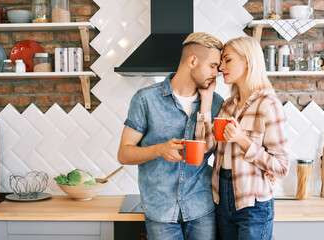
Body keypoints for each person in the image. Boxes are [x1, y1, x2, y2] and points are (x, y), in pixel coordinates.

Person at [117, 32, 224, 240]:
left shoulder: (216, 102)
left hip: (201, 209)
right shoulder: (145, 100)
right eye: (212, 66)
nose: (216, 74)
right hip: (161, 211)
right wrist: (160, 149)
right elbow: (124, 154)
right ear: (193, 61)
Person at [195, 36, 290, 240]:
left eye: (227, 60)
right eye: (221, 61)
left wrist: (242, 139)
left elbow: (282, 167)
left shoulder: (268, 105)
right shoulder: (228, 106)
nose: (221, 67)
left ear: (248, 61)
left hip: (253, 204)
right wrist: (206, 100)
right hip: (222, 198)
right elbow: (207, 146)